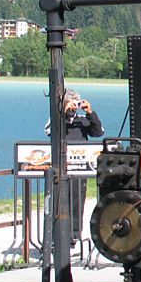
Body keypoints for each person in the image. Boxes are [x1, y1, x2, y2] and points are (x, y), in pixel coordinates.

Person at [46, 90, 104, 245]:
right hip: (60, 167)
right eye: (72, 103)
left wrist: (90, 112)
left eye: (77, 103)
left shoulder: (83, 120)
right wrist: (62, 113)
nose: (75, 106)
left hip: (79, 169)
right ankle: (56, 237)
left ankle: (74, 235)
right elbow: (49, 130)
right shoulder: (56, 119)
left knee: (77, 203)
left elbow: (98, 132)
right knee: (58, 201)